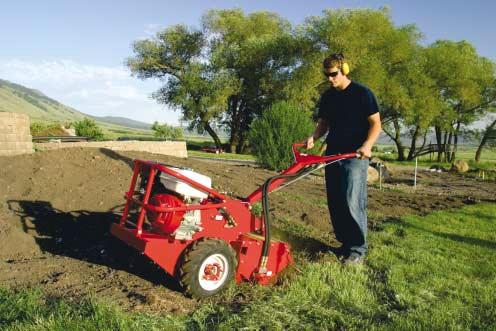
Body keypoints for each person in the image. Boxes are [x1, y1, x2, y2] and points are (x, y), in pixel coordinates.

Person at [306, 53, 381, 265]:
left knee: (351, 200)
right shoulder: (328, 97)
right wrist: (313, 137)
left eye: (333, 74)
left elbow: (376, 124)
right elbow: (323, 124)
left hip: (354, 155)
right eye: (326, 75)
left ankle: (357, 249)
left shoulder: (362, 94)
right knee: (336, 202)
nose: (330, 79)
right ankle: (345, 244)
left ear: (344, 70)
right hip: (333, 154)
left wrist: (367, 146)